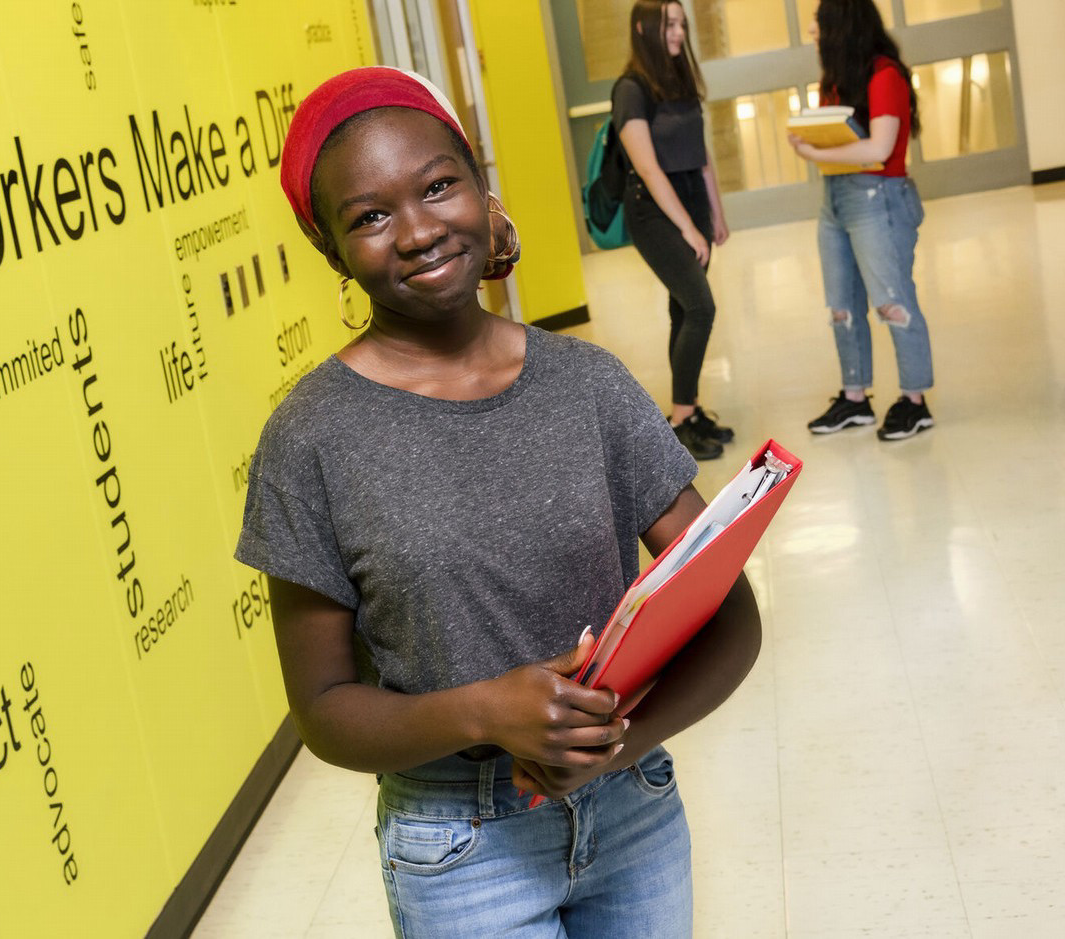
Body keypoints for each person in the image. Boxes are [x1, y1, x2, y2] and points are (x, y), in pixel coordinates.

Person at [235, 66, 762, 937]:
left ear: (482, 189)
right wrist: (488, 710)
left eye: (439, 186)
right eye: (369, 215)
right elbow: (324, 709)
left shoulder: (588, 385)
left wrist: (611, 748)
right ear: (331, 248)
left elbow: (729, 611)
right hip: (457, 846)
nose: (417, 231)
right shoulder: (309, 439)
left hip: (631, 806)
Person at [790, 0, 935, 440]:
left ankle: (915, 402)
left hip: (879, 199)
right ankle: (855, 399)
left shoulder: (885, 75)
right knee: (841, 306)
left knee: (893, 303)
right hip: (836, 198)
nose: (813, 30)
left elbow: (878, 149)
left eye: (819, 21)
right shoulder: (834, 81)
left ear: (841, 25)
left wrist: (815, 153)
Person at [612, 0, 733, 460]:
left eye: (682, 24)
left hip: (693, 206)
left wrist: (715, 215)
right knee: (701, 307)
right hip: (653, 212)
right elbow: (648, 169)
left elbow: (701, 158)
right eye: (670, 25)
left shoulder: (681, 80)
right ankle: (682, 418)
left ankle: (691, 410)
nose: (679, 33)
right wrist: (687, 228)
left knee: (684, 310)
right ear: (644, 29)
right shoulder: (631, 89)